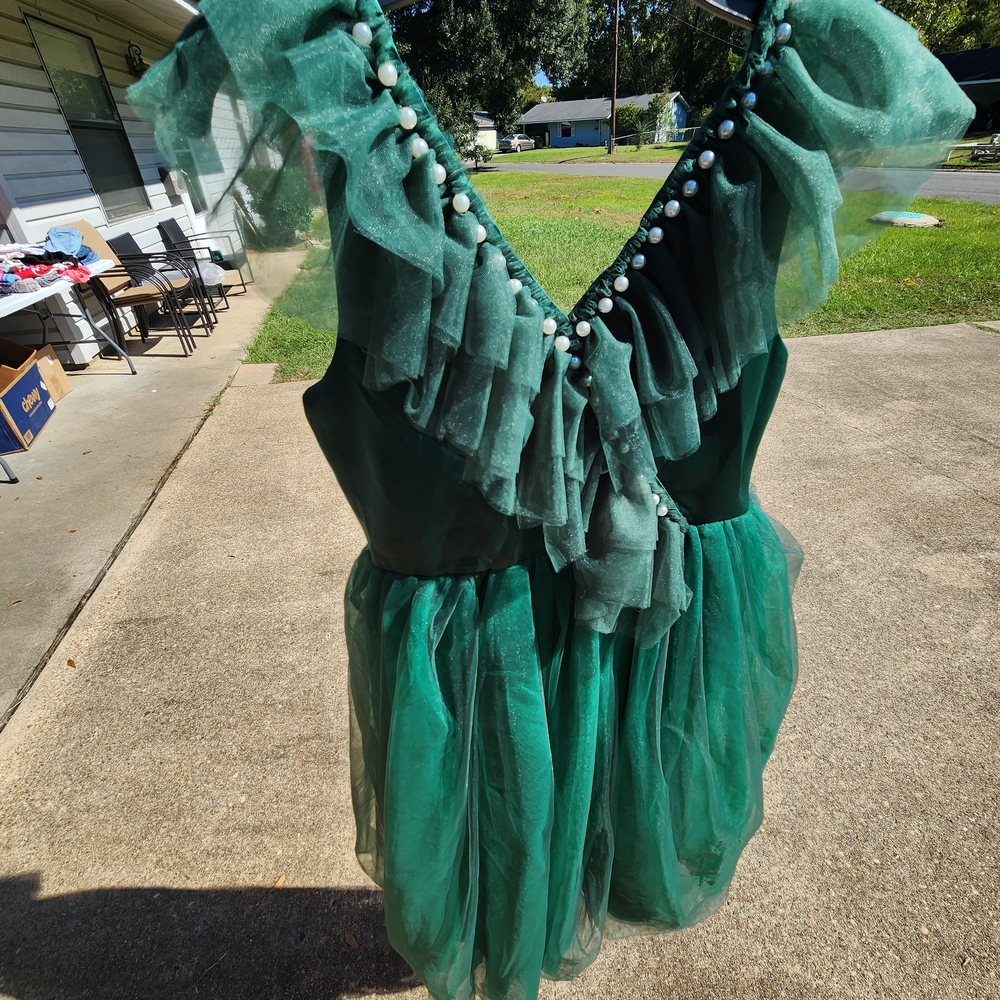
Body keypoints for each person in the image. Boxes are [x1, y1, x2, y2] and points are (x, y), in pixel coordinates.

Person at [129, 1, 972, 997]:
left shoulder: (801, 110)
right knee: (487, 871)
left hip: (670, 646)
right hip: (473, 661)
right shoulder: (335, 90)